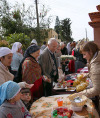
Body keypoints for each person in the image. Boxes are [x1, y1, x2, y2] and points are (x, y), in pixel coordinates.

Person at [74, 41, 100, 112]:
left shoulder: (95, 64)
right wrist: (88, 75)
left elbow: (97, 89)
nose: (83, 57)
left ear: (91, 52)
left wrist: (81, 94)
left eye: (85, 54)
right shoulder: (97, 57)